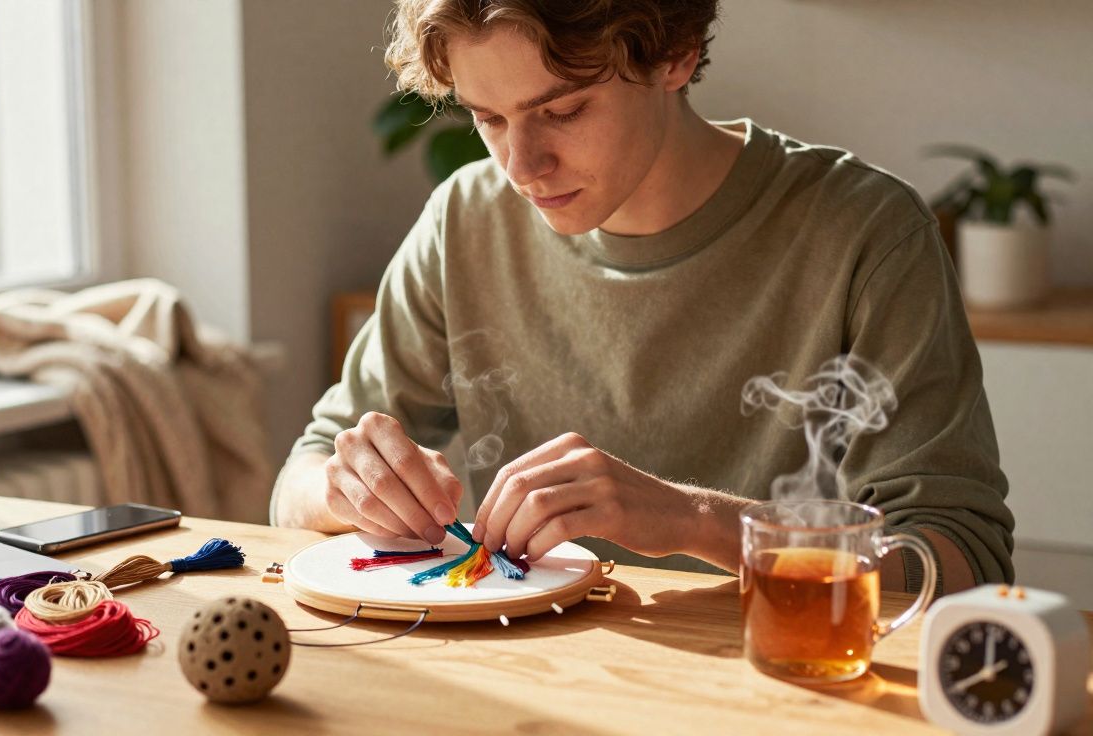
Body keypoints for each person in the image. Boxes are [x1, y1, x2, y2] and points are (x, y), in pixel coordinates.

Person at [269, 0, 1014, 593]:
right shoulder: (463, 220)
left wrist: (693, 518)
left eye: (562, 111)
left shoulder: (865, 232)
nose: (521, 165)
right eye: (488, 118)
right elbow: (298, 483)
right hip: (530, 690)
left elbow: (958, 562)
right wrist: (350, 487)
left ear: (675, 54)